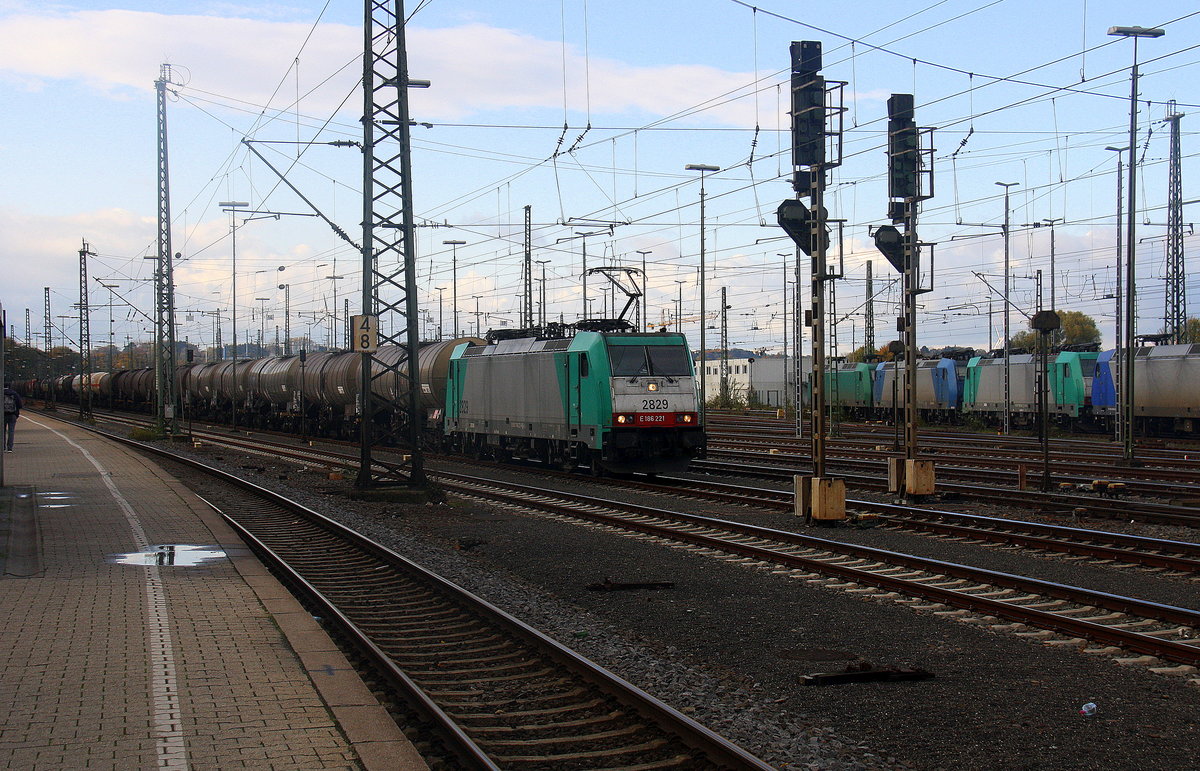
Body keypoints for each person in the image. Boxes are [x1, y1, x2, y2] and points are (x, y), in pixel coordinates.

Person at [3, 383, 21, 452]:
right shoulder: (14, 393)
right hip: (12, 415)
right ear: (9, 386)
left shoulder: (1, 393)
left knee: (2, 431)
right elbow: (20, 405)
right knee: (11, 431)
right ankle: (10, 448)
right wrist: (16, 413)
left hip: (2, 415)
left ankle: (3, 447)